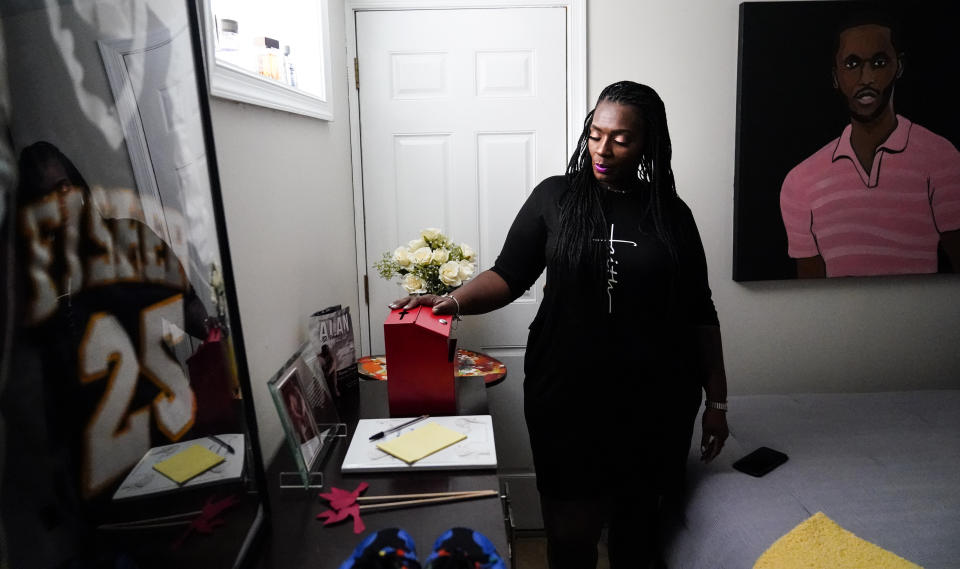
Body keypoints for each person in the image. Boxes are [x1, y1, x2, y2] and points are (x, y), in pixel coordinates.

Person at [392, 81, 729, 569]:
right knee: (571, 536)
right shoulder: (556, 197)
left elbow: (700, 312)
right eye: (595, 134)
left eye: (621, 139)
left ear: (648, 145)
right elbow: (507, 275)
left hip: (654, 401)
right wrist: (453, 301)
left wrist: (717, 401)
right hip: (567, 395)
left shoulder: (672, 215)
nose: (603, 149)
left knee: (637, 536)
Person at [779, 13, 960, 278]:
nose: (866, 78)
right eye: (852, 64)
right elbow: (810, 295)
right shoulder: (800, 182)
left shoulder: (943, 159)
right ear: (835, 76)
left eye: (878, 62)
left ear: (898, 66)